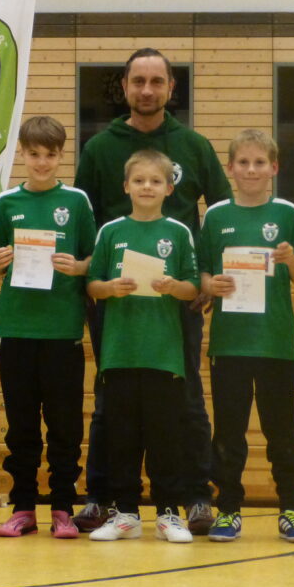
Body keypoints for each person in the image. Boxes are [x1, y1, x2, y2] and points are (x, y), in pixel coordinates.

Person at [74, 47, 231, 534]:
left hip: (176, 300)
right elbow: (83, 220)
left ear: (170, 88)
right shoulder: (100, 148)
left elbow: (221, 215)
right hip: (117, 302)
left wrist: (205, 276)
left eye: (156, 81)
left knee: (186, 401)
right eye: (138, 81)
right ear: (124, 87)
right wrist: (94, 283)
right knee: (110, 402)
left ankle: (195, 496)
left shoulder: (194, 146)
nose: (147, 90)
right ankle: (103, 498)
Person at [197, 129, 294, 543]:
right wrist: (210, 285)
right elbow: (203, 272)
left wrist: (291, 259)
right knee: (229, 433)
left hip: (275, 344)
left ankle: (290, 508)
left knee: (282, 433)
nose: (251, 170)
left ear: (273, 168)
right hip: (229, 344)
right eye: (243, 163)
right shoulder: (215, 216)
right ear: (230, 168)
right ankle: (228, 508)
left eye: (259, 162)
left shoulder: (287, 213)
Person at [0, 116, 96, 539]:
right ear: (21, 153)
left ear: (61, 156)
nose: (42, 162)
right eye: (34, 154)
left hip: (62, 330)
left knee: (65, 426)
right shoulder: (7, 203)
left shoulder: (76, 202)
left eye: (50, 155)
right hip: (16, 329)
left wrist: (79, 267)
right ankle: (23, 507)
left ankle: (63, 507)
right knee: (21, 427)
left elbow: (95, 258)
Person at [85, 149, 199, 543]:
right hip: (120, 353)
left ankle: (169, 513)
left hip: (163, 356)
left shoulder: (178, 232)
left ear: (169, 188)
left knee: (166, 437)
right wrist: (110, 288)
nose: (146, 187)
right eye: (139, 181)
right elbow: (92, 284)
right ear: (126, 187)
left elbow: (193, 287)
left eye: (154, 181)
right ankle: (126, 514)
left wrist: (174, 286)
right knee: (122, 439)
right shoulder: (111, 232)